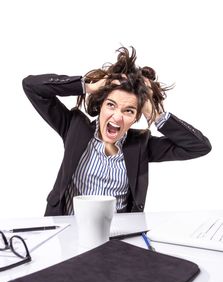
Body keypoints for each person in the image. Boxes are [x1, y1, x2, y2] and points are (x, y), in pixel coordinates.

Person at [22, 47, 211, 216]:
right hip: (68, 233)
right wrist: (88, 86)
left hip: (116, 241)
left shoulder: (140, 145)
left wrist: (154, 113)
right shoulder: (75, 128)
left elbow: (199, 147)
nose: (117, 117)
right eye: (111, 105)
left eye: (128, 111)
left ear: (136, 117)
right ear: (100, 105)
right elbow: (32, 87)